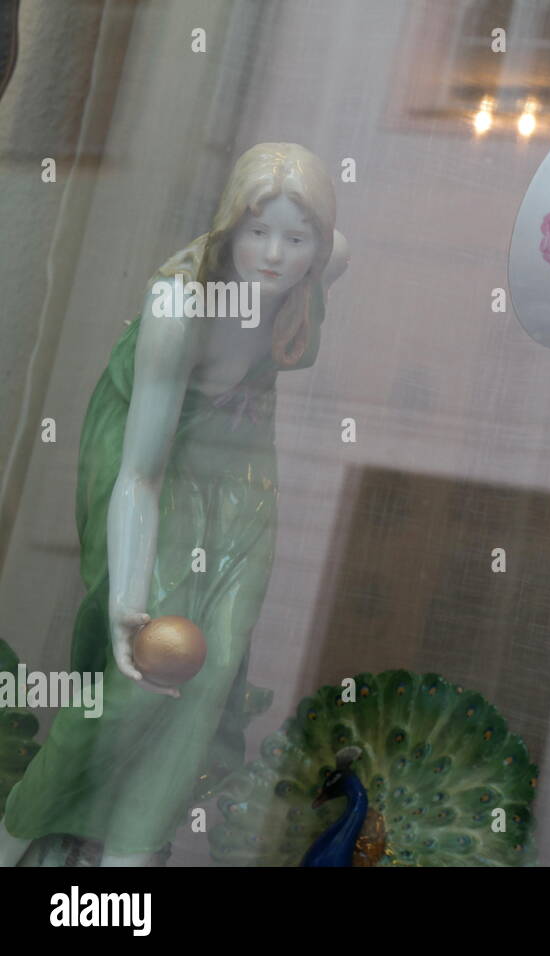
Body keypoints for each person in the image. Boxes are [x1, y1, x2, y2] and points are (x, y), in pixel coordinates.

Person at [0, 143, 349, 866]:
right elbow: (141, 474)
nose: (276, 255)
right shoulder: (179, 307)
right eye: (257, 231)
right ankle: (24, 824)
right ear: (228, 228)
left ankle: (132, 849)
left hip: (238, 455)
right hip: (143, 456)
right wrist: (128, 600)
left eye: (297, 237)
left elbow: (339, 243)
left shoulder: (317, 271)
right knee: (142, 670)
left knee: (215, 663)